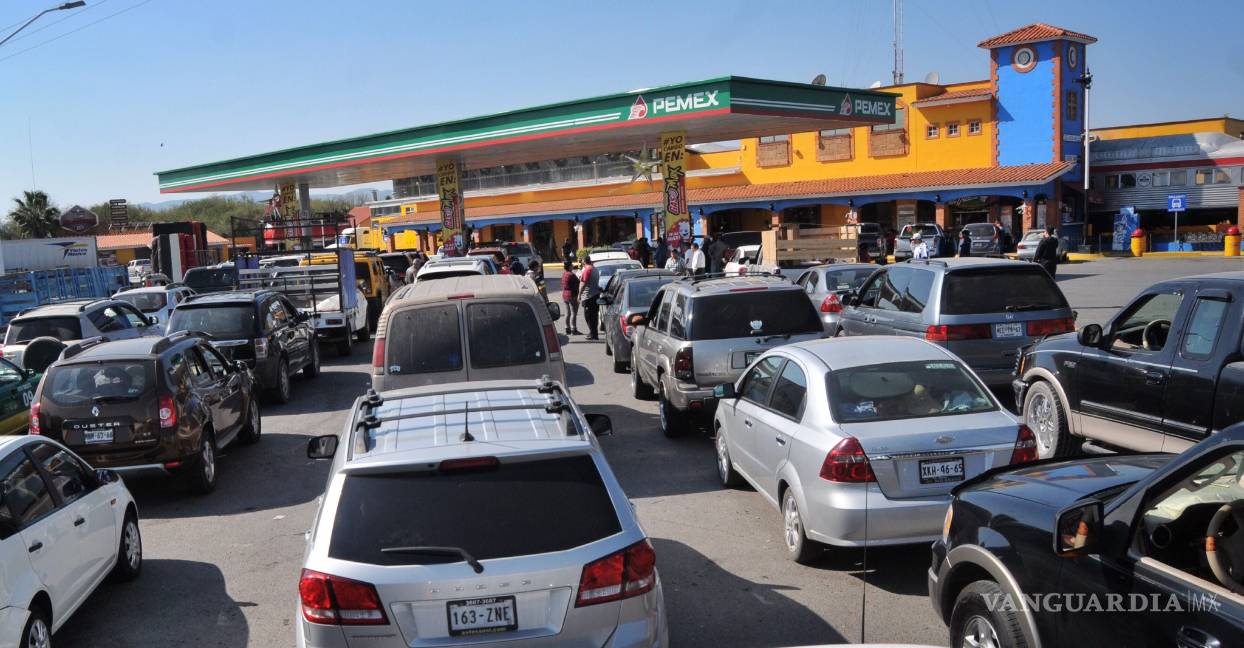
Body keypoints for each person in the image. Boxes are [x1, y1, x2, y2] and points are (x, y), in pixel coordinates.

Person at [579, 259, 602, 339]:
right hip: (595, 294)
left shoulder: (587, 270)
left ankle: (593, 333)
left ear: (584, 262)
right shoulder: (595, 269)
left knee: (588, 316)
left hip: (589, 296)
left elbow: (584, 283)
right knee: (594, 315)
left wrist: (579, 294)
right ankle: (594, 333)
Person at [560, 260, 581, 334]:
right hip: (572, 295)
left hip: (565, 295)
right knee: (573, 313)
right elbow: (578, 283)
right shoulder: (571, 275)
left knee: (567, 312)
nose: (572, 266)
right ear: (569, 266)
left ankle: (567, 327)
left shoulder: (564, 274)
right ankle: (573, 329)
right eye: (571, 265)